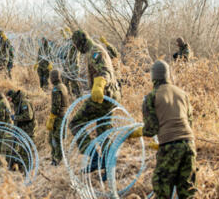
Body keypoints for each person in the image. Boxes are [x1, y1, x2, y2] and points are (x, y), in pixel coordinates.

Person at [129, 60, 196, 199]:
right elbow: (189, 122)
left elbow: (150, 129)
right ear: (168, 74)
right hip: (189, 145)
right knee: (187, 190)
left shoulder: (151, 96)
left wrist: (136, 133)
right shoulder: (182, 93)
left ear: (153, 76)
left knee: (162, 188)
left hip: (169, 146)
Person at [67, 30, 121, 173]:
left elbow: (106, 72)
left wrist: (99, 85)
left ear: (81, 42)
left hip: (103, 96)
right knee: (103, 130)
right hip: (108, 95)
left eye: (76, 44)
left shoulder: (95, 51)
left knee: (75, 123)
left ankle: (94, 157)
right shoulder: (92, 51)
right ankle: (108, 166)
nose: (76, 48)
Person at [6, 89, 36, 171]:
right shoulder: (17, 103)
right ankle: (22, 170)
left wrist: (16, 118)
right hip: (22, 131)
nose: (8, 101)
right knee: (21, 152)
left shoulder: (24, 102)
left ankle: (28, 171)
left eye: (9, 98)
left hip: (28, 131)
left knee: (25, 152)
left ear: (12, 96)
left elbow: (28, 116)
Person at [46, 70, 69, 165]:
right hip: (64, 115)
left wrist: (52, 117)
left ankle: (57, 159)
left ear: (53, 78)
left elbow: (56, 105)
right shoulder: (63, 86)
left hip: (58, 117)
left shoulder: (56, 89)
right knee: (54, 138)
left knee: (55, 138)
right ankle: (55, 158)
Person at [60, 27, 81, 97]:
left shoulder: (77, 45)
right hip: (67, 65)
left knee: (74, 82)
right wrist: (64, 35)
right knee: (65, 81)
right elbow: (67, 41)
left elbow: (75, 43)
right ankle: (68, 96)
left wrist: (69, 33)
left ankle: (79, 97)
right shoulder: (69, 44)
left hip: (73, 66)